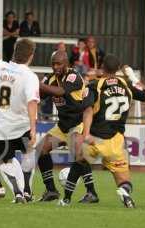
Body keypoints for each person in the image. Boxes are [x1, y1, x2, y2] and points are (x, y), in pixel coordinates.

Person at [58, 54, 145, 207]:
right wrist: (133, 78)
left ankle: (66, 199)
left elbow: (88, 110)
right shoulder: (126, 84)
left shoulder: (95, 85)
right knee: (124, 180)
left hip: (96, 138)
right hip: (116, 141)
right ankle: (125, 193)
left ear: (102, 67)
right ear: (118, 68)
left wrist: (86, 133)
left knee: (79, 162)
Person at [0, 42, 39, 204]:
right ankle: (25, 191)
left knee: (4, 158)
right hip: (21, 124)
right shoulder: (30, 76)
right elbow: (32, 102)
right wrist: (33, 128)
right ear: (31, 56)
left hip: (1, 127)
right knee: (28, 151)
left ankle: (16, 191)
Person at [36, 50, 98, 203]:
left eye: (59, 64)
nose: (56, 67)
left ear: (67, 64)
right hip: (63, 126)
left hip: (78, 123)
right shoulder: (50, 78)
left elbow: (60, 91)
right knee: (41, 149)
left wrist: (37, 83)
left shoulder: (73, 76)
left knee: (78, 154)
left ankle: (91, 192)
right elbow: (40, 94)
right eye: (53, 64)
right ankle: (51, 190)